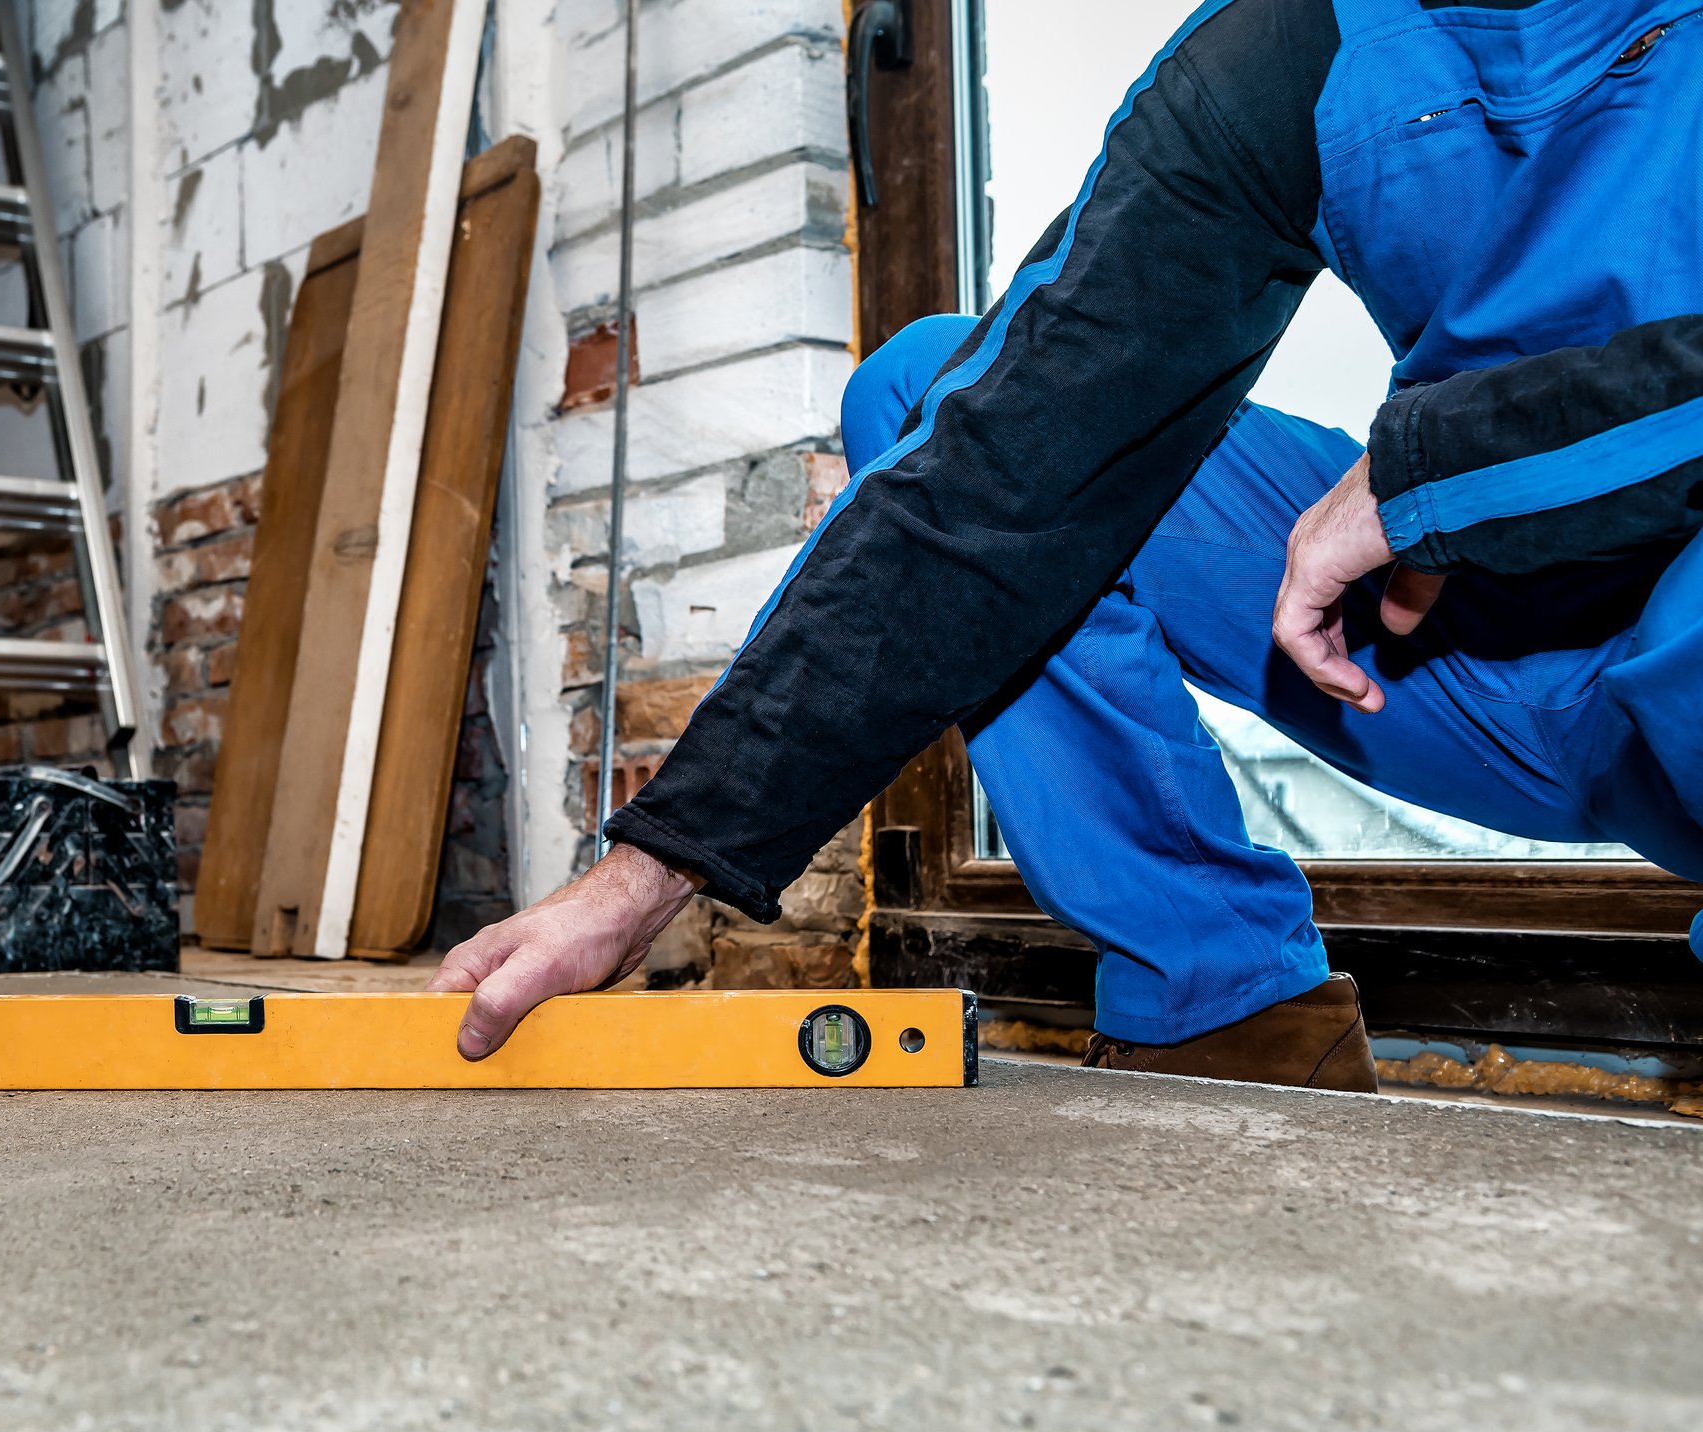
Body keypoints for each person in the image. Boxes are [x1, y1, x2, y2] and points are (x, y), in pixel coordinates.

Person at [433, 0, 1703, 1088]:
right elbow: (1001, 465)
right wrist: (651, 871)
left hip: (1673, 648)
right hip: (1449, 657)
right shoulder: (1303, 44)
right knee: (938, 393)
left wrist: (1443, 470)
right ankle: (1226, 1007)